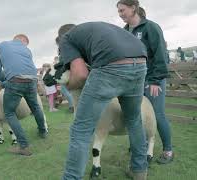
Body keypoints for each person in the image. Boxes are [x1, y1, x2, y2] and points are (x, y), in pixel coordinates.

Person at [57, 22, 148, 180]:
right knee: (134, 120)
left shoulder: (66, 39)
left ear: (60, 39)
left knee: (81, 129)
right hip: (140, 62)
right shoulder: (93, 30)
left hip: (111, 65)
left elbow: (80, 75)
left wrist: (69, 86)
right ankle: (139, 171)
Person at [117, 0, 174, 165]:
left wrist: (156, 80)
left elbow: (161, 55)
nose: (120, 14)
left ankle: (168, 150)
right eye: (118, 11)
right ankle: (139, 146)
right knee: (134, 115)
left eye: (122, 10)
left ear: (133, 8)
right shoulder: (124, 31)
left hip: (152, 80)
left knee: (157, 114)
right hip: (134, 82)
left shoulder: (151, 27)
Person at [0, 34, 48, 156]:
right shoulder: (26, 50)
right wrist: (2, 85)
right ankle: (43, 132)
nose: (25, 46)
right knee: (35, 107)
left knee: (9, 112)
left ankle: (24, 146)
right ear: (22, 40)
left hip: (15, 82)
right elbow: (24, 72)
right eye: (26, 43)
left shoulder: (0, 47)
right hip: (32, 81)